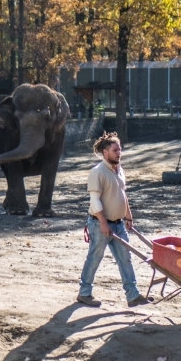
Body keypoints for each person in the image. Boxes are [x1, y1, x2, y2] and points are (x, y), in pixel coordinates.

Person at [77, 132, 149, 308]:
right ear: (105, 152)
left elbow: (122, 194)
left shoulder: (120, 170)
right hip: (100, 223)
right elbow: (95, 201)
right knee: (95, 257)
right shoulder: (98, 172)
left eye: (120, 150)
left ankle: (133, 295)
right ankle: (84, 293)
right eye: (115, 150)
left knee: (125, 258)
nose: (119, 153)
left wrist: (128, 216)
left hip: (118, 224)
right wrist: (103, 223)